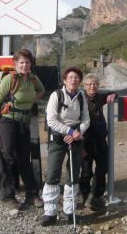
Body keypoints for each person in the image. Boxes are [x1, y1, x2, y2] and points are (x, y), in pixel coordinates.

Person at [0, 49, 45, 210]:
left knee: (23, 158)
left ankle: (32, 193)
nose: (25, 65)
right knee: (7, 156)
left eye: (27, 62)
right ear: (15, 64)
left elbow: (41, 90)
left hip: (24, 124)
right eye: (21, 62)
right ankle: (7, 195)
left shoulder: (33, 79)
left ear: (31, 64)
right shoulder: (10, 79)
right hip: (8, 122)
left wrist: (31, 100)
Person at [41, 67, 90, 226]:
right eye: (70, 77)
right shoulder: (57, 95)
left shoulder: (81, 96)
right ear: (64, 80)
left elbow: (86, 119)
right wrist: (68, 131)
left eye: (76, 77)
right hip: (57, 138)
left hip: (75, 138)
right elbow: (51, 120)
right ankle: (50, 213)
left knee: (73, 174)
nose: (74, 80)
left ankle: (70, 211)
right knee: (52, 174)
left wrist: (77, 133)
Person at [79, 73, 117, 210]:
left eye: (95, 84)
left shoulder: (100, 96)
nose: (92, 86)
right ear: (84, 86)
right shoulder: (79, 98)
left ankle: (95, 196)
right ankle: (85, 195)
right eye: (89, 84)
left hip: (100, 140)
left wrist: (113, 95)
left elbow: (114, 93)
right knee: (86, 171)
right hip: (85, 141)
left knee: (102, 168)